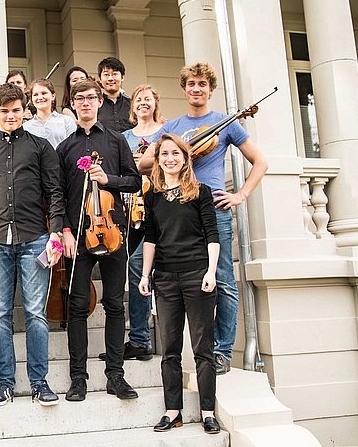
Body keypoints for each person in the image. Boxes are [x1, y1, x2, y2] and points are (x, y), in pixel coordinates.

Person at [138, 62, 268, 375]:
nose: (197, 89)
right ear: (184, 90)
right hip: (179, 211)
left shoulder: (225, 123)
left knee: (222, 280)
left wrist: (240, 195)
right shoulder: (176, 126)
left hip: (213, 210)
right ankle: (196, 350)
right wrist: (173, 151)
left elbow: (260, 162)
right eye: (191, 84)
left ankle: (222, 351)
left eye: (202, 85)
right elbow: (144, 163)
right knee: (185, 280)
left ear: (210, 89)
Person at [0, 84, 65, 407]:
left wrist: (56, 233)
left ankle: (39, 382)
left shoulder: (40, 147)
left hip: (35, 238)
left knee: (36, 313)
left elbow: (55, 193)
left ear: (25, 110)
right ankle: (3, 383)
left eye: (16, 110)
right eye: (4, 111)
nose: (10, 115)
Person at [57, 79, 141, 402]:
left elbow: (134, 182)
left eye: (91, 97)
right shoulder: (65, 148)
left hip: (113, 230)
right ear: (74, 103)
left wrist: (109, 180)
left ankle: (115, 376)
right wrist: (65, 229)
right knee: (77, 306)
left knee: (114, 305)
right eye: (80, 98)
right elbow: (58, 195)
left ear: (98, 102)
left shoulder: (117, 141)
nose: (86, 103)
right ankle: (78, 378)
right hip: (78, 235)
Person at [138, 133, 221, 435]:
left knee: (203, 348)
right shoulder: (152, 196)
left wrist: (211, 271)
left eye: (176, 153)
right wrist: (145, 276)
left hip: (198, 276)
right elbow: (151, 238)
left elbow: (212, 235)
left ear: (185, 158)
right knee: (170, 349)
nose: (170, 159)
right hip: (165, 279)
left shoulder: (201, 191)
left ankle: (208, 411)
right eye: (164, 154)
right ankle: (173, 411)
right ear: (157, 160)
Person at [97, 84, 165, 362]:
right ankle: (139, 338)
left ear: (155, 104)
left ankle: (142, 336)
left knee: (140, 266)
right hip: (129, 209)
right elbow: (120, 171)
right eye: (138, 100)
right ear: (132, 106)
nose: (142, 104)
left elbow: (169, 162)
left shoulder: (165, 131)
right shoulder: (123, 136)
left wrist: (143, 162)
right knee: (133, 270)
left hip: (158, 208)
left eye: (148, 99)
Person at [23, 78, 76, 149]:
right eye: (35, 95)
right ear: (31, 99)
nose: (40, 97)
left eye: (44, 93)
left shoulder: (66, 121)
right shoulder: (26, 127)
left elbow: (74, 147)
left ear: (53, 96)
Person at [96, 57, 132, 133]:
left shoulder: (133, 104)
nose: (110, 78)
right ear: (100, 79)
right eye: (106, 74)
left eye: (115, 74)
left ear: (122, 77)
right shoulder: (94, 105)